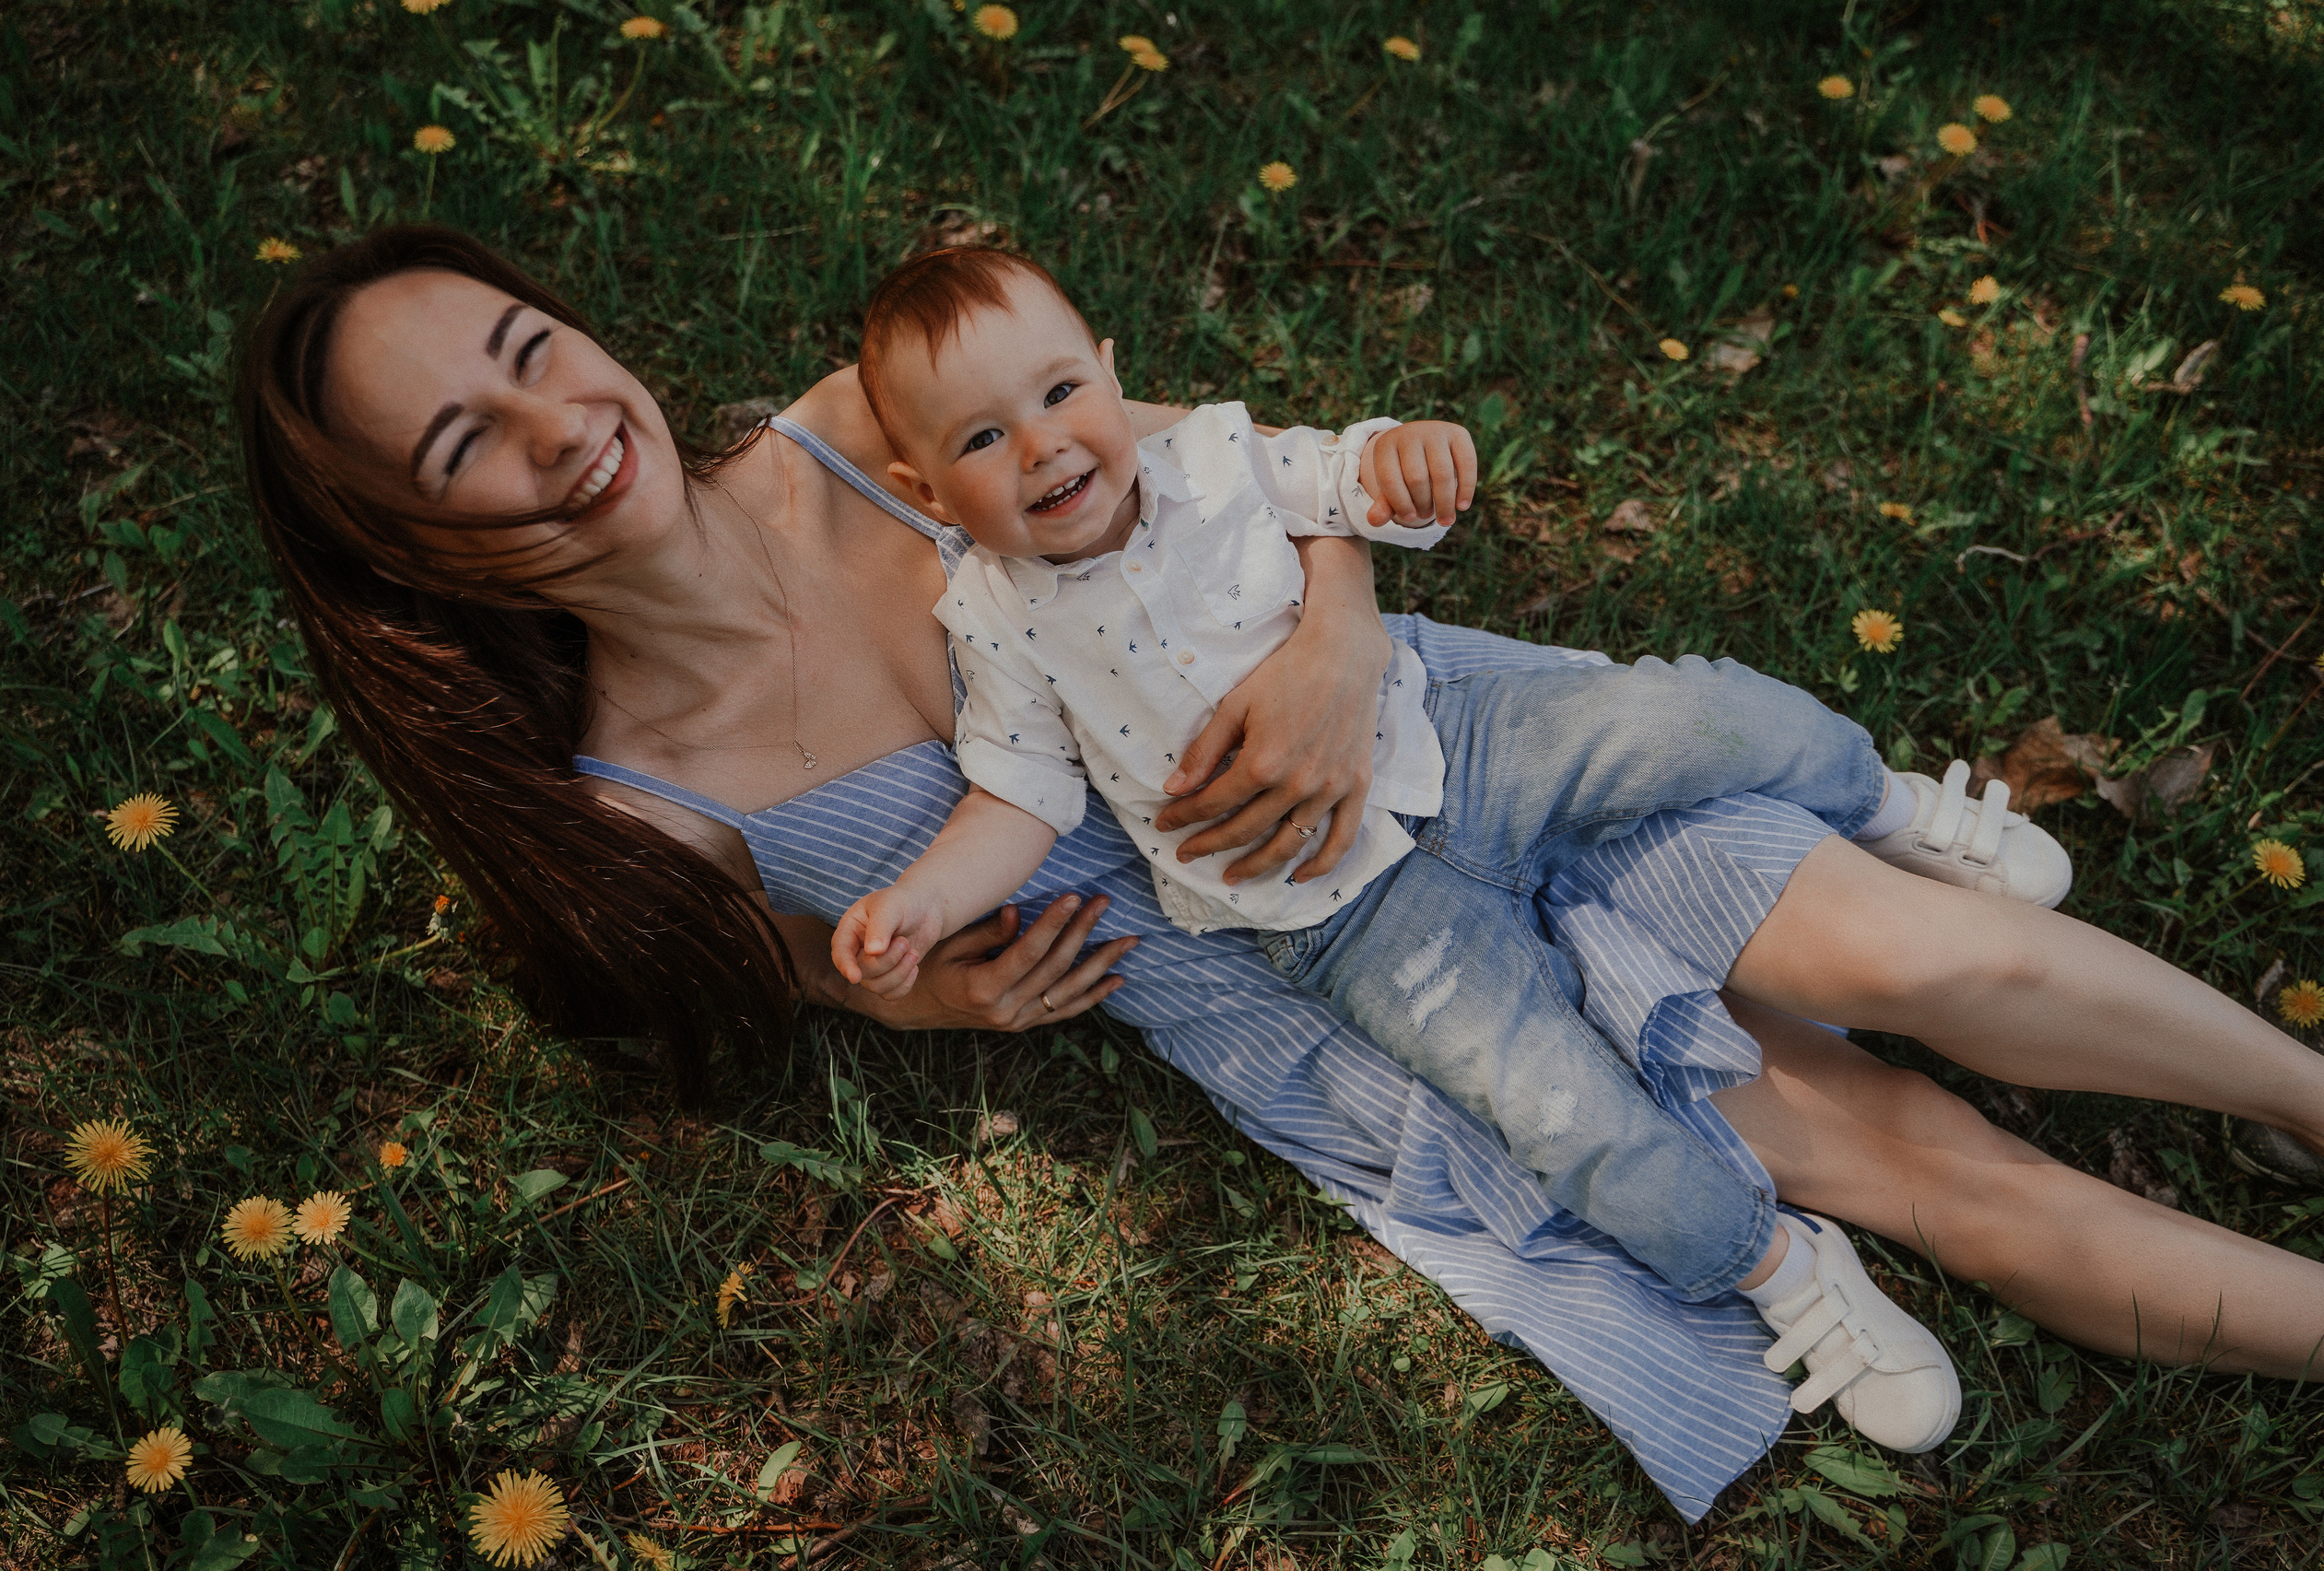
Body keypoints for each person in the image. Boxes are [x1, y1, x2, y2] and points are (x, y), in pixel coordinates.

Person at [235, 225, 2324, 1521]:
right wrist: (890, 981)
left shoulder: (858, 428)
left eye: (519, 346)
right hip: (1322, 972)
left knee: (1917, 941)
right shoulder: (628, 793)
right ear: (413, 549)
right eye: (457, 446)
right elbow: (750, 965)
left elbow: (1245, 466)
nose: (550, 424)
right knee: (1902, 1158)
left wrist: (1327, 645)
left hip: (1424, 733)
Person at [831, 249, 2059, 1450]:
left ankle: (1885, 805)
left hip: (1455, 740)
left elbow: (1350, 481)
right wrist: (925, 907)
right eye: (983, 438)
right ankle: (1784, 1268)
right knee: (1560, 1114)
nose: (1042, 444)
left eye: (1057, 393)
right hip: (1347, 924)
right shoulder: (993, 622)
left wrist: (1410, 457)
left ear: (1108, 373)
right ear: (930, 493)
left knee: (1679, 717)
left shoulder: (1212, 455)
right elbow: (1018, 802)